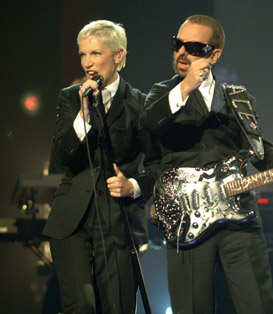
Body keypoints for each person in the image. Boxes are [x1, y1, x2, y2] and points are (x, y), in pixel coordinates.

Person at [140, 14, 273, 314]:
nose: (182, 53)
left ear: (214, 55)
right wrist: (186, 87)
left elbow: (261, 152)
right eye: (178, 45)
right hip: (187, 219)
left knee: (259, 306)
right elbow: (150, 123)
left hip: (238, 215)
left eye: (193, 47)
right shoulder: (163, 95)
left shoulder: (238, 99)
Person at [43, 20, 157, 314]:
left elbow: (158, 166)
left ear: (118, 56)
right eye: (82, 55)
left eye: (95, 54)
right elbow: (62, 156)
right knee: (81, 306)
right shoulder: (70, 98)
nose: (87, 63)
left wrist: (132, 185)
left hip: (118, 223)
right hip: (73, 222)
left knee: (117, 307)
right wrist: (83, 117)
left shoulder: (140, 105)